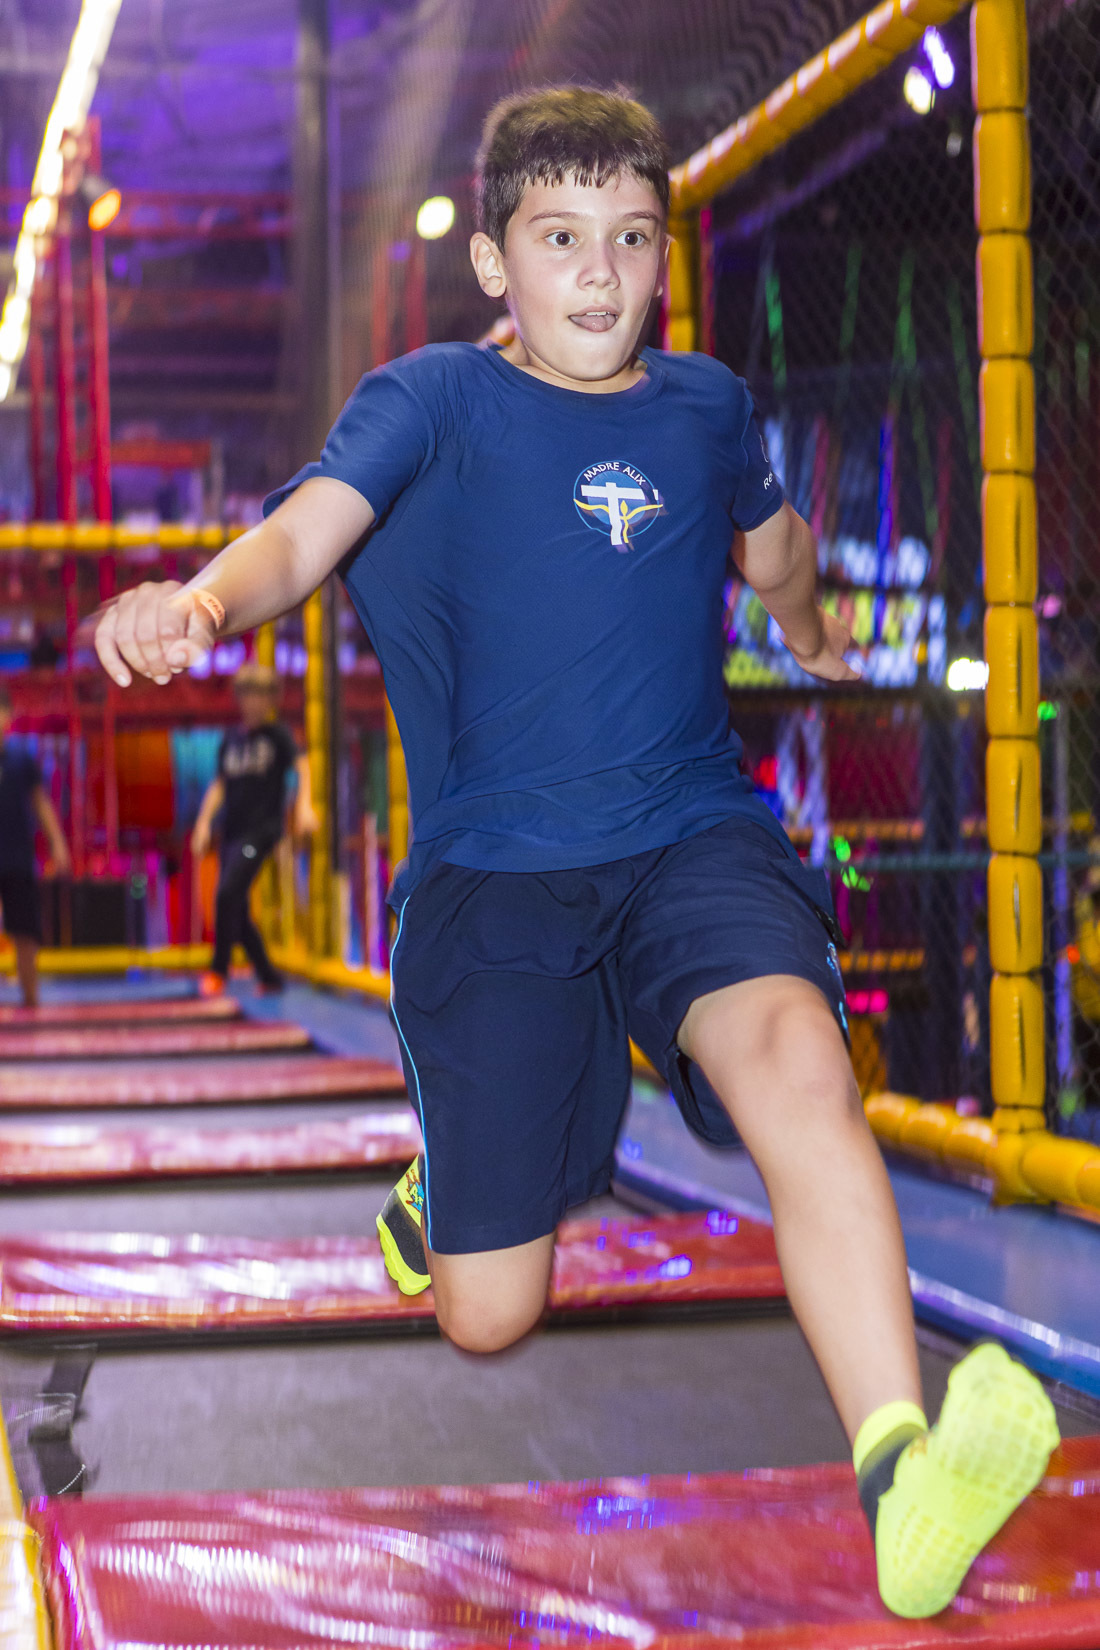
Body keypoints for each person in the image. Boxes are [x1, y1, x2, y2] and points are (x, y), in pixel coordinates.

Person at [93, 85, 1058, 1619]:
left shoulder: (707, 406)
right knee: (490, 1310)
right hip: (500, 878)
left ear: (662, 255)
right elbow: (303, 535)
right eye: (559, 239)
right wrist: (200, 603)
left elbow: (774, 544)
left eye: (630, 238)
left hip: (690, 833)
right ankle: (448, 1188)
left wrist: (813, 627)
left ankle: (903, 1469)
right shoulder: (430, 402)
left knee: (801, 1057)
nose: (600, 275)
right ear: (495, 261)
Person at [190, 661, 317, 994]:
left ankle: (218, 970)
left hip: (261, 831)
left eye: (262, 695)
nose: (255, 702)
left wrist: (304, 805)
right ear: (240, 698)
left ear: (272, 699)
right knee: (236, 906)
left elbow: (302, 766)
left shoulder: (277, 736)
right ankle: (269, 976)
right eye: (248, 694)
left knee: (226, 894)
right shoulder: (231, 739)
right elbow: (220, 784)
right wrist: (203, 823)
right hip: (231, 831)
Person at [0, 682, 71, 1006]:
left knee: (25, 930)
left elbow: (40, 802)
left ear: (8, 716)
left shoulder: (20, 758)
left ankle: (31, 999)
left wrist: (57, 843)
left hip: (16, 859)